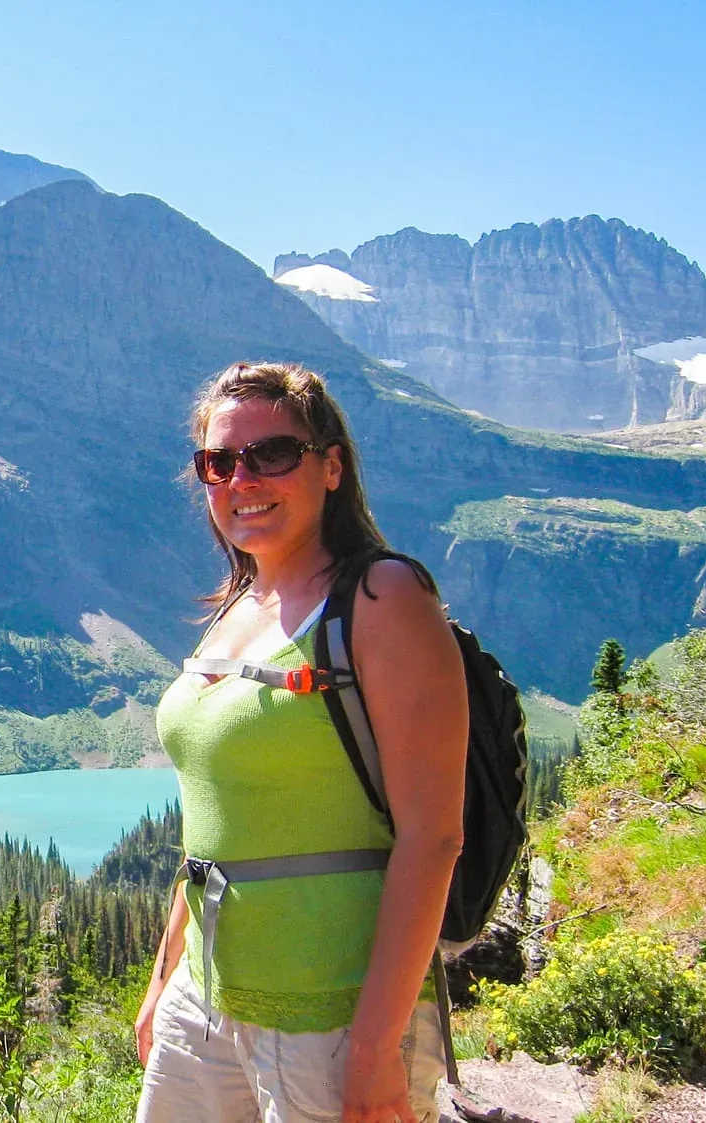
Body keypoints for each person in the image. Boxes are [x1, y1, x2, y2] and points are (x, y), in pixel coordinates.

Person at [135, 361, 467, 1123]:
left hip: (333, 1014)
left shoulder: (383, 599)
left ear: (331, 466)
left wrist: (376, 1044)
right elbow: (211, 826)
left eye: (272, 453)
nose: (242, 477)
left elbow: (433, 834)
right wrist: (165, 977)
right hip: (204, 998)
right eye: (219, 462)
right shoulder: (236, 607)